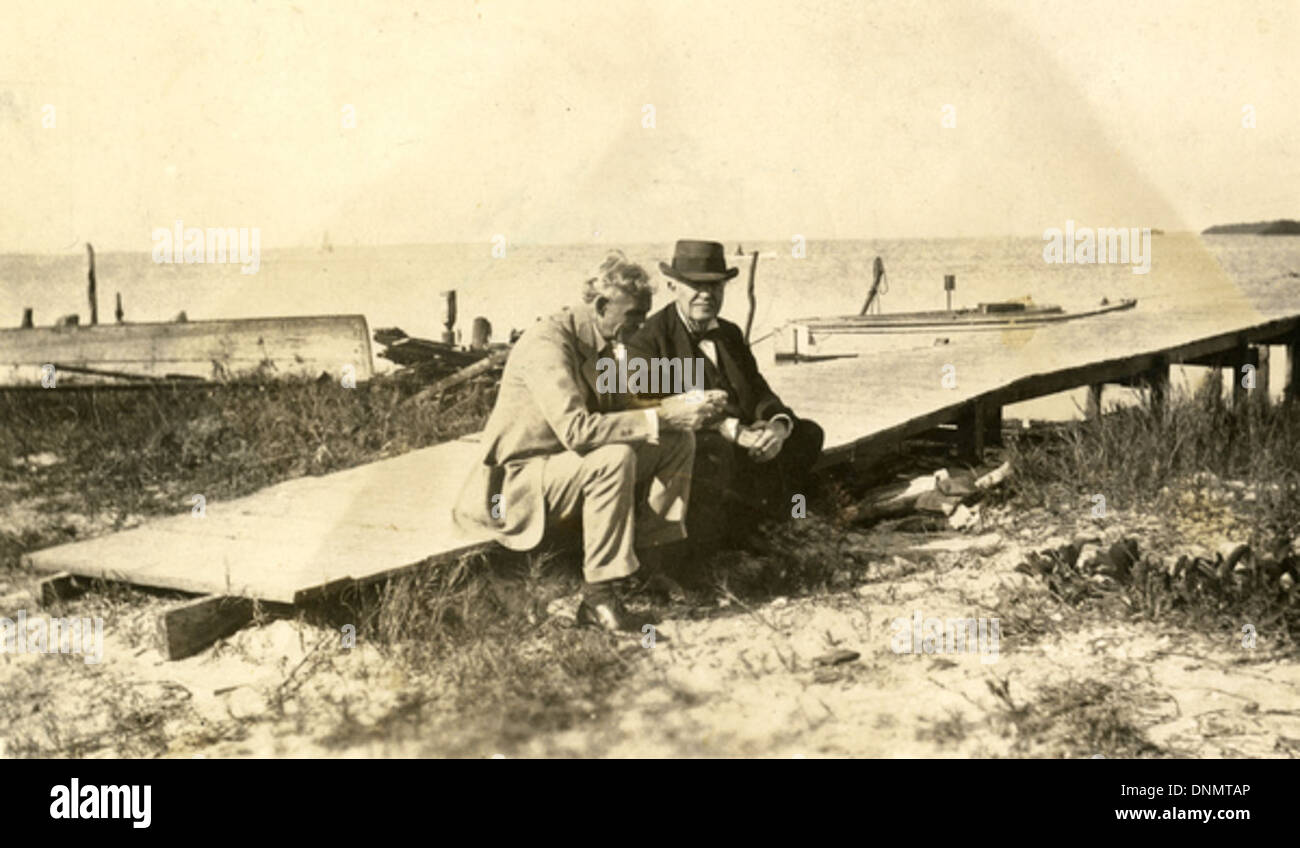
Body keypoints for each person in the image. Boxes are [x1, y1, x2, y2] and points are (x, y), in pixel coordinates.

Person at [451, 251, 726, 632]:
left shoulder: (604, 340)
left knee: (677, 440)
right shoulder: (548, 345)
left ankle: (650, 566)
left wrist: (681, 407)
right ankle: (598, 598)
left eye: (644, 316)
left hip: (561, 469)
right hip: (515, 485)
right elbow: (578, 430)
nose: (640, 324)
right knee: (614, 458)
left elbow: (620, 409)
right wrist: (661, 415)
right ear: (600, 305)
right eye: (633, 315)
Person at [626, 239, 825, 549]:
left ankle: (788, 517)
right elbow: (662, 409)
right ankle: (723, 546)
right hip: (701, 439)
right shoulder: (649, 340)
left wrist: (776, 426)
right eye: (694, 284)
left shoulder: (729, 333)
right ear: (672, 285)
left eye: (715, 286)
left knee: (807, 434)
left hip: (752, 439)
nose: (706, 294)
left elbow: (758, 390)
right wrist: (734, 431)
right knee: (717, 453)